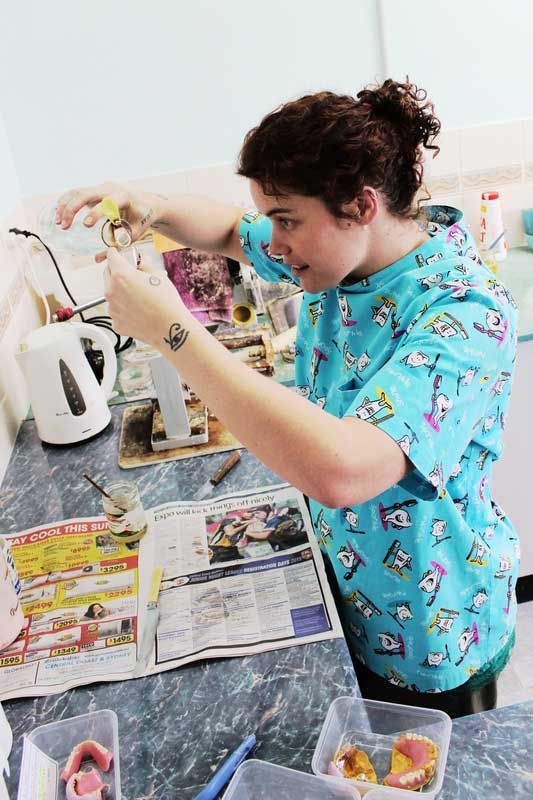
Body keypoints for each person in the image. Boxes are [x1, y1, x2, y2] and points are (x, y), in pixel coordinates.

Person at [56, 79, 519, 717]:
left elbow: (343, 469)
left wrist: (173, 331)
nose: (271, 243)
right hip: (351, 589)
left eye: (286, 221)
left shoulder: (462, 316)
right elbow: (225, 228)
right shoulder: (340, 259)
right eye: (271, 219)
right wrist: (152, 205)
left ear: (360, 206)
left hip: (433, 634)